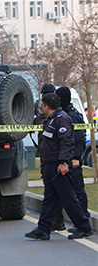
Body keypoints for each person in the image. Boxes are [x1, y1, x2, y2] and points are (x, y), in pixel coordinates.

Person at [25, 93, 93, 240]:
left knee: (68, 197)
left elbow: (67, 142)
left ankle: (84, 227)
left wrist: (63, 162)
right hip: (50, 165)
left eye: (42, 105)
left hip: (58, 165)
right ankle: (43, 229)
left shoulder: (62, 119)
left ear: (46, 106)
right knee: (49, 199)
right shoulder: (52, 120)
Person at [51, 86, 89, 232]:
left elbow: (79, 138)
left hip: (72, 160)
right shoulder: (64, 114)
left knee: (78, 191)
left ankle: (83, 220)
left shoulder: (72, 115)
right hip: (65, 159)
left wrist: (76, 158)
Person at [32, 83, 56, 175]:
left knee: (43, 154)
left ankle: (44, 173)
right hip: (54, 133)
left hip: (42, 134)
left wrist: (32, 126)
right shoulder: (55, 103)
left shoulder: (38, 104)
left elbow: (31, 117)